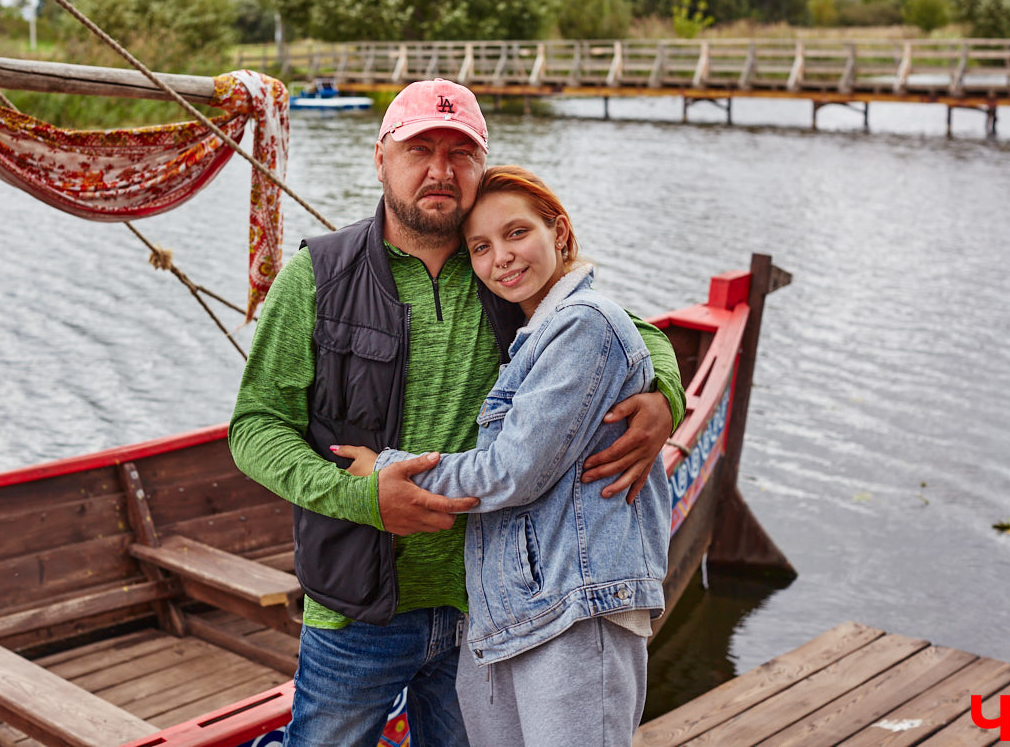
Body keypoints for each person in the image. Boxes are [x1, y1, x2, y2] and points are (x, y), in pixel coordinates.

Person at [228, 78, 686, 747]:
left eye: (460, 152)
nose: (440, 170)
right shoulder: (319, 276)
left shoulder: (503, 267)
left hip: (487, 607)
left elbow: (631, 334)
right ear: (381, 157)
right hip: (356, 612)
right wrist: (362, 497)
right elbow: (255, 428)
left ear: (481, 164)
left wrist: (663, 399)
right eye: (420, 149)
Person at [337, 165, 669, 746]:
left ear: (559, 234)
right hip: (512, 612)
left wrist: (385, 469)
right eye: (482, 247)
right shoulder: (533, 335)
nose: (503, 259)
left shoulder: (585, 324)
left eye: (517, 234)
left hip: (574, 606)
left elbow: (510, 471)